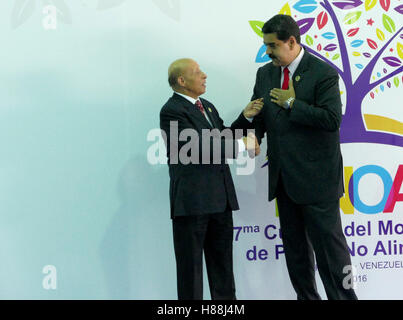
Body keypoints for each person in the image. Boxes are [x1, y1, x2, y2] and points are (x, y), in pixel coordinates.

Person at [238, 14, 358, 300]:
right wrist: (254, 132)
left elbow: (331, 120)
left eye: (273, 45)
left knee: (331, 253)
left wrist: (293, 104)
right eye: (266, 45)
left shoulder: (322, 73)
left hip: (318, 182)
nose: (267, 51)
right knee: (296, 254)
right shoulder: (265, 74)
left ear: (291, 42)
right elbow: (262, 117)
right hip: (284, 181)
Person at [160, 58, 262, 300]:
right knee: (190, 273)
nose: (205, 75)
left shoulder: (207, 106)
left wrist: (244, 118)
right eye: (198, 72)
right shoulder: (172, 110)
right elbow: (196, 148)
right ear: (182, 81)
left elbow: (222, 136)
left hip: (220, 200)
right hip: (192, 203)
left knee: (223, 270)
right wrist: (241, 144)